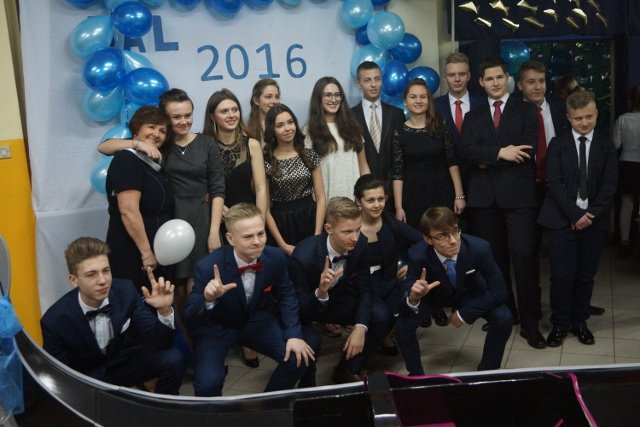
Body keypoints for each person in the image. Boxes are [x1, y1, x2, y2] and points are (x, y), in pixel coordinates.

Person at [99, 89, 226, 301]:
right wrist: (136, 143)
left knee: (200, 282)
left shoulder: (203, 143)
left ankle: (192, 322)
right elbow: (104, 146)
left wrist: (213, 227)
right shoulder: (157, 147)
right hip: (169, 228)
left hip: (199, 220)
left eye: (188, 115)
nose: (184, 121)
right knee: (172, 287)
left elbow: (217, 186)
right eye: (176, 117)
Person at [183, 203, 316, 396]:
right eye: (248, 237)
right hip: (216, 328)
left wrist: (294, 334)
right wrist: (208, 298)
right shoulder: (207, 266)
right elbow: (189, 317)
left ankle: (266, 404)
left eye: (261, 234)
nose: (257, 242)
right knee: (207, 384)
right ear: (230, 239)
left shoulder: (275, 257)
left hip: (256, 321)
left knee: (298, 358)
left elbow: (287, 295)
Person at [458, 56, 544, 349]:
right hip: (484, 200)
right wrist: (500, 153)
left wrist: (487, 158)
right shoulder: (474, 116)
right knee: (494, 263)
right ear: (480, 82)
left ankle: (531, 324)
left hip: (519, 199)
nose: (495, 83)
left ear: (507, 78)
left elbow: (527, 151)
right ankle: (508, 315)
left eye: (499, 77)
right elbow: (467, 152)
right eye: (489, 79)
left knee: (524, 259)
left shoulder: (527, 110)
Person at [41, 237, 184, 394]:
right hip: (86, 380)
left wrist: (164, 311)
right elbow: (59, 377)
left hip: (122, 366)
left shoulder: (126, 292)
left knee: (173, 359)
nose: (103, 280)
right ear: (74, 280)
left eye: (106, 270)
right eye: (91, 274)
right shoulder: (54, 320)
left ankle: (160, 407)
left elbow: (161, 342)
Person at [538, 90, 618, 347]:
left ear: (596, 115)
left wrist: (590, 214)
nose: (584, 123)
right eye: (578, 118)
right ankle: (560, 324)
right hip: (562, 221)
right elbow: (555, 183)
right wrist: (575, 215)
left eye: (589, 117)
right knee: (562, 276)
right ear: (568, 117)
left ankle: (580, 322)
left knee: (585, 276)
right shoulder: (558, 144)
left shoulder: (606, 146)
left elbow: (610, 184)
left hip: (594, 222)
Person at [395, 207, 512, 375]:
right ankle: (416, 375)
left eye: (455, 232)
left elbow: (500, 292)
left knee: (503, 317)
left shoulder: (479, 248)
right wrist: (414, 297)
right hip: (433, 295)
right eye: (442, 236)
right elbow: (404, 299)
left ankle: (488, 370)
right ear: (428, 239)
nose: (453, 241)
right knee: (403, 325)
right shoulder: (417, 255)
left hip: (468, 292)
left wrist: (463, 314)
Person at [289, 197, 391, 383]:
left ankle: (347, 368)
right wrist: (321, 292)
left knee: (382, 315)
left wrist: (360, 327)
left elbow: (365, 290)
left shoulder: (360, 243)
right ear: (329, 228)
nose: (355, 238)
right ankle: (307, 385)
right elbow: (299, 307)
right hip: (309, 306)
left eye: (358, 230)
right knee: (311, 342)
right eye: (347, 232)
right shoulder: (303, 256)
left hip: (340, 298)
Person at [203, 88, 269, 368]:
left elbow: (262, 187)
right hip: (217, 220)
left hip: (249, 222)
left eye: (234, 110)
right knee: (224, 278)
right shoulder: (204, 144)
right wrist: (226, 215)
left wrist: (258, 222)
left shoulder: (251, 143)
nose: (231, 115)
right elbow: (206, 188)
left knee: (250, 281)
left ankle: (248, 339)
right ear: (213, 116)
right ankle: (225, 337)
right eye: (224, 111)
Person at [105, 106, 174, 290]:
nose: (156, 134)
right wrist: (146, 253)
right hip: (133, 255)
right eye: (151, 127)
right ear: (136, 130)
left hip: (154, 256)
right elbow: (128, 211)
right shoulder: (127, 160)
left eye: (162, 131)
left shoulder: (152, 164)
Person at [354, 174, 422, 353]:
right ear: (358, 201)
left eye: (381, 199)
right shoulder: (350, 227)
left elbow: (422, 241)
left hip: (389, 282)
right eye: (370, 200)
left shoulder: (390, 221)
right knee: (382, 316)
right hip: (361, 287)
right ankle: (353, 357)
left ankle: (384, 336)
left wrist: (411, 265)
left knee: (407, 308)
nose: (377, 205)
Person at [392, 78, 466, 231]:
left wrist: (459, 196)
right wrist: (398, 207)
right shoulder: (399, 132)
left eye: (423, 96)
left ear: (428, 100)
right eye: (413, 97)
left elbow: (452, 161)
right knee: (419, 237)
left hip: (442, 190)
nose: (418, 101)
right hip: (412, 195)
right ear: (405, 101)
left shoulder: (441, 124)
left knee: (445, 234)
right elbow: (398, 172)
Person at [263, 103, 326, 256]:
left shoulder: (309, 155)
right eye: (280, 125)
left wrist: (317, 235)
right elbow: (265, 209)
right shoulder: (266, 161)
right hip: (281, 224)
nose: (287, 128)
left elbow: (321, 198)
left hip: (310, 219)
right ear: (272, 130)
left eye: (290, 122)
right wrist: (282, 245)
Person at [305, 76, 370, 200]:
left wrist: (368, 195)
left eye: (337, 95)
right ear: (318, 98)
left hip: (354, 199)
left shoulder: (353, 128)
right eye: (328, 95)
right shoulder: (309, 132)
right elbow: (309, 176)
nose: (333, 99)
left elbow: (363, 167)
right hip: (327, 202)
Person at [351, 61, 405, 192]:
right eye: (367, 80)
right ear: (358, 84)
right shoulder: (349, 116)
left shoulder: (396, 114)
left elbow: (401, 154)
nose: (373, 84)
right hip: (363, 190)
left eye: (377, 79)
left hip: (394, 189)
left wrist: (388, 188)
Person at [613, 85, 640, 258]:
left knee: (627, 204)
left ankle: (624, 241)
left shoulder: (623, 119)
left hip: (627, 163)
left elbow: (615, 144)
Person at [434, 52, 484, 146]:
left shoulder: (483, 104)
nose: (457, 79)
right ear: (445, 78)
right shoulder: (434, 106)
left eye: (462, 74)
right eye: (452, 75)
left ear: (468, 76)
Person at [246, 78, 281, 144]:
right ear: (256, 100)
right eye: (268, 97)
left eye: (277, 97)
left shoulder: (286, 126)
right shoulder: (247, 131)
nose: (274, 101)